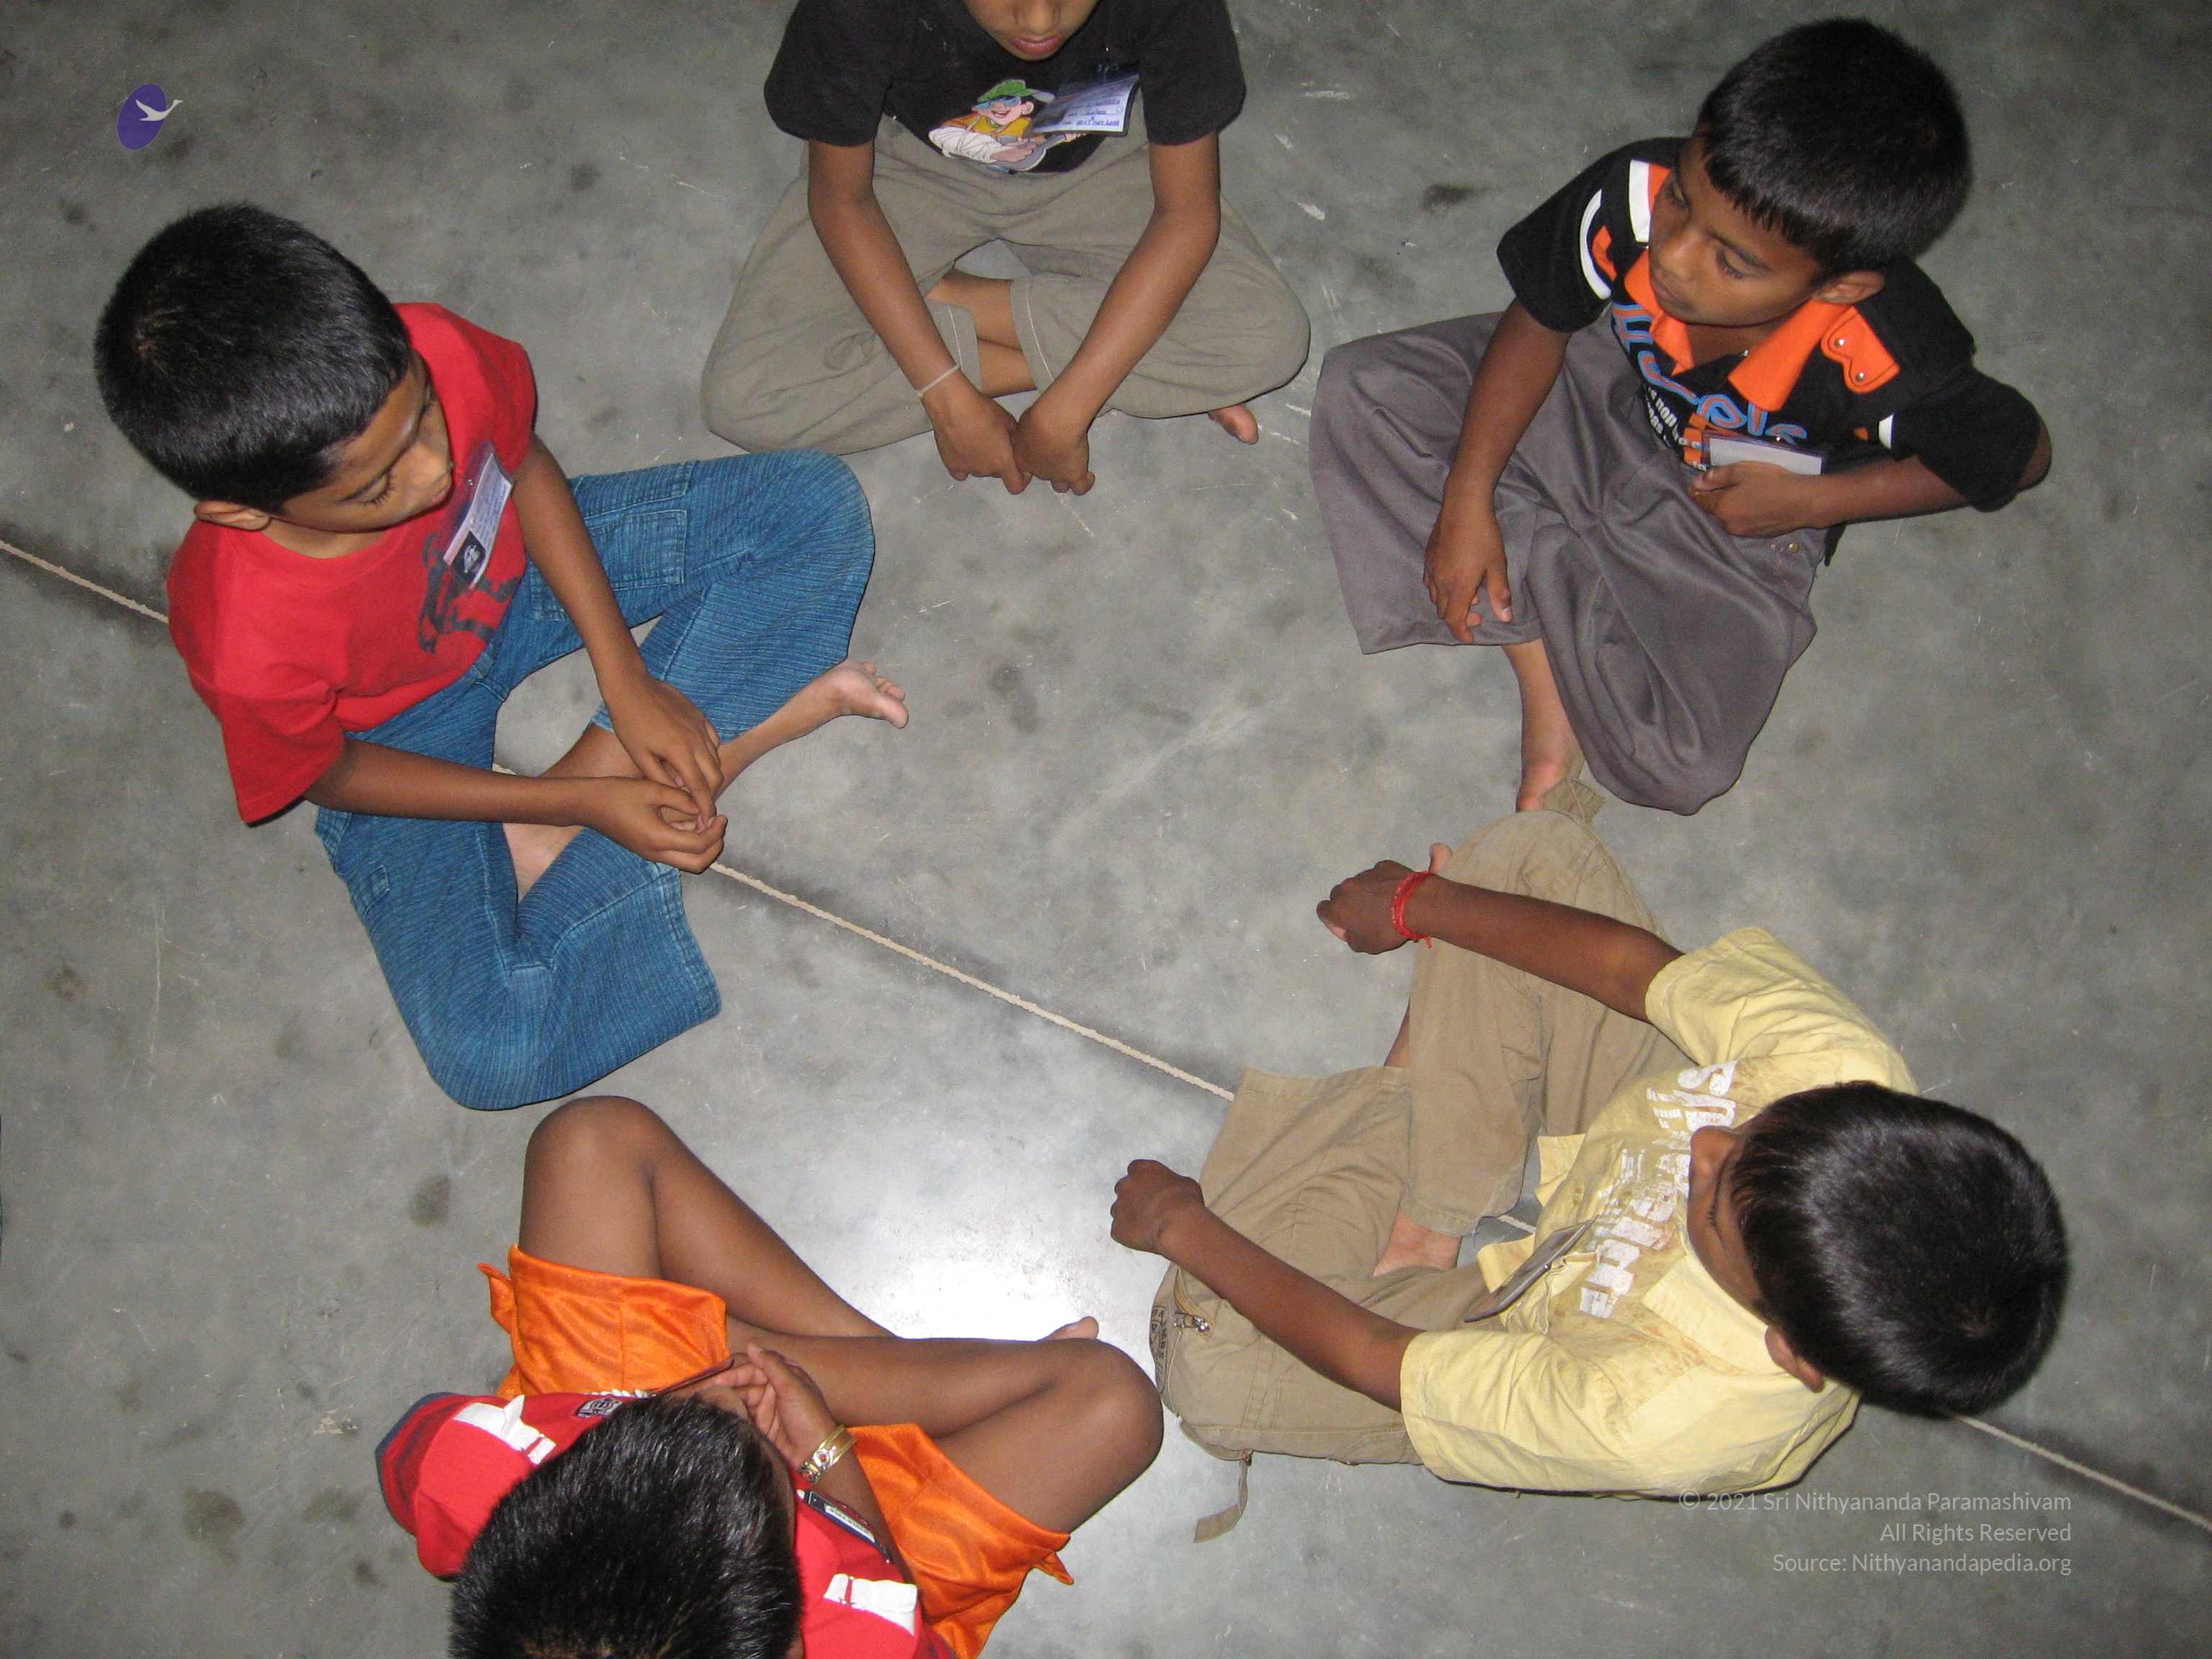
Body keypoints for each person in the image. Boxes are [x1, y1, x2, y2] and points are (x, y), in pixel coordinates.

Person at [94, 205, 908, 1110]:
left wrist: (626, 677)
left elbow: (522, 465)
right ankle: (634, 786)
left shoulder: (435, 345)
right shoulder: (244, 635)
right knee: (494, 1049)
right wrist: (567, 803)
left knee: (813, 510)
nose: (436, 470)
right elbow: (330, 771)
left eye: (423, 414)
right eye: (376, 486)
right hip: (399, 731)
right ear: (246, 512)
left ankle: (592, 798)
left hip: (517, 576)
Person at [1112, 782, 2065, 1512]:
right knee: (1532, 857)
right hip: (1607, 1128)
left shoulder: (1662, 1415)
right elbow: (1628, 970)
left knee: (1209, 1375)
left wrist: (1184, 1227)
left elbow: (1378, 1357)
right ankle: (1432, 1207)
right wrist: (1416, 904)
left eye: (1714, 1202)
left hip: (1545, 1325)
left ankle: (1419, 1134)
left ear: (1790, 1351)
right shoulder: (1835, 1059)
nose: (1706, 1144)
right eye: (1757, 1127)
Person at [1310, 19, 2051, 815]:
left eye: (1732, 262)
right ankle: (1538, 655)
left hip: (1741, 502)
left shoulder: (1883, 355)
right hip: (1602, 390)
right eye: (1681, 201)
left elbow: (2022, 456)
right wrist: (1468, 495)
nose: (1672, 255)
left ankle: (1536, 578)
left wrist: (1812, 502)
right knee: (1367, 387)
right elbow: (1542, 320)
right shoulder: (1633, 191)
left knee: (1681, 764)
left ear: (1840, 286)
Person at [379, 1096, 1163, 1657]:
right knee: (1115, 1407)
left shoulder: (484, 1473)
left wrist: (673, 1397)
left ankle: (808, 1365)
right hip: (876, 1545)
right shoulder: (857, 1639)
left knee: (588, 1140)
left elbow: (407, 1455)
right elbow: (900, 1609)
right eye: (760, 1460)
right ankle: (844, 1369)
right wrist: (830, 1463)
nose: (742, 1416)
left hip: (616, 1402)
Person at [703, 0, 1309, 495]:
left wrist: (1069, 409)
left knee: (1267, 341)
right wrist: (946, 398)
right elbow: (843, 200)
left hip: (1098, 149)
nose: (1040, 20)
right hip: (911, 157)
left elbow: (1185, 214)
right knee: (749, 399)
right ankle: (1142, 354)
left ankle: (957, 299)